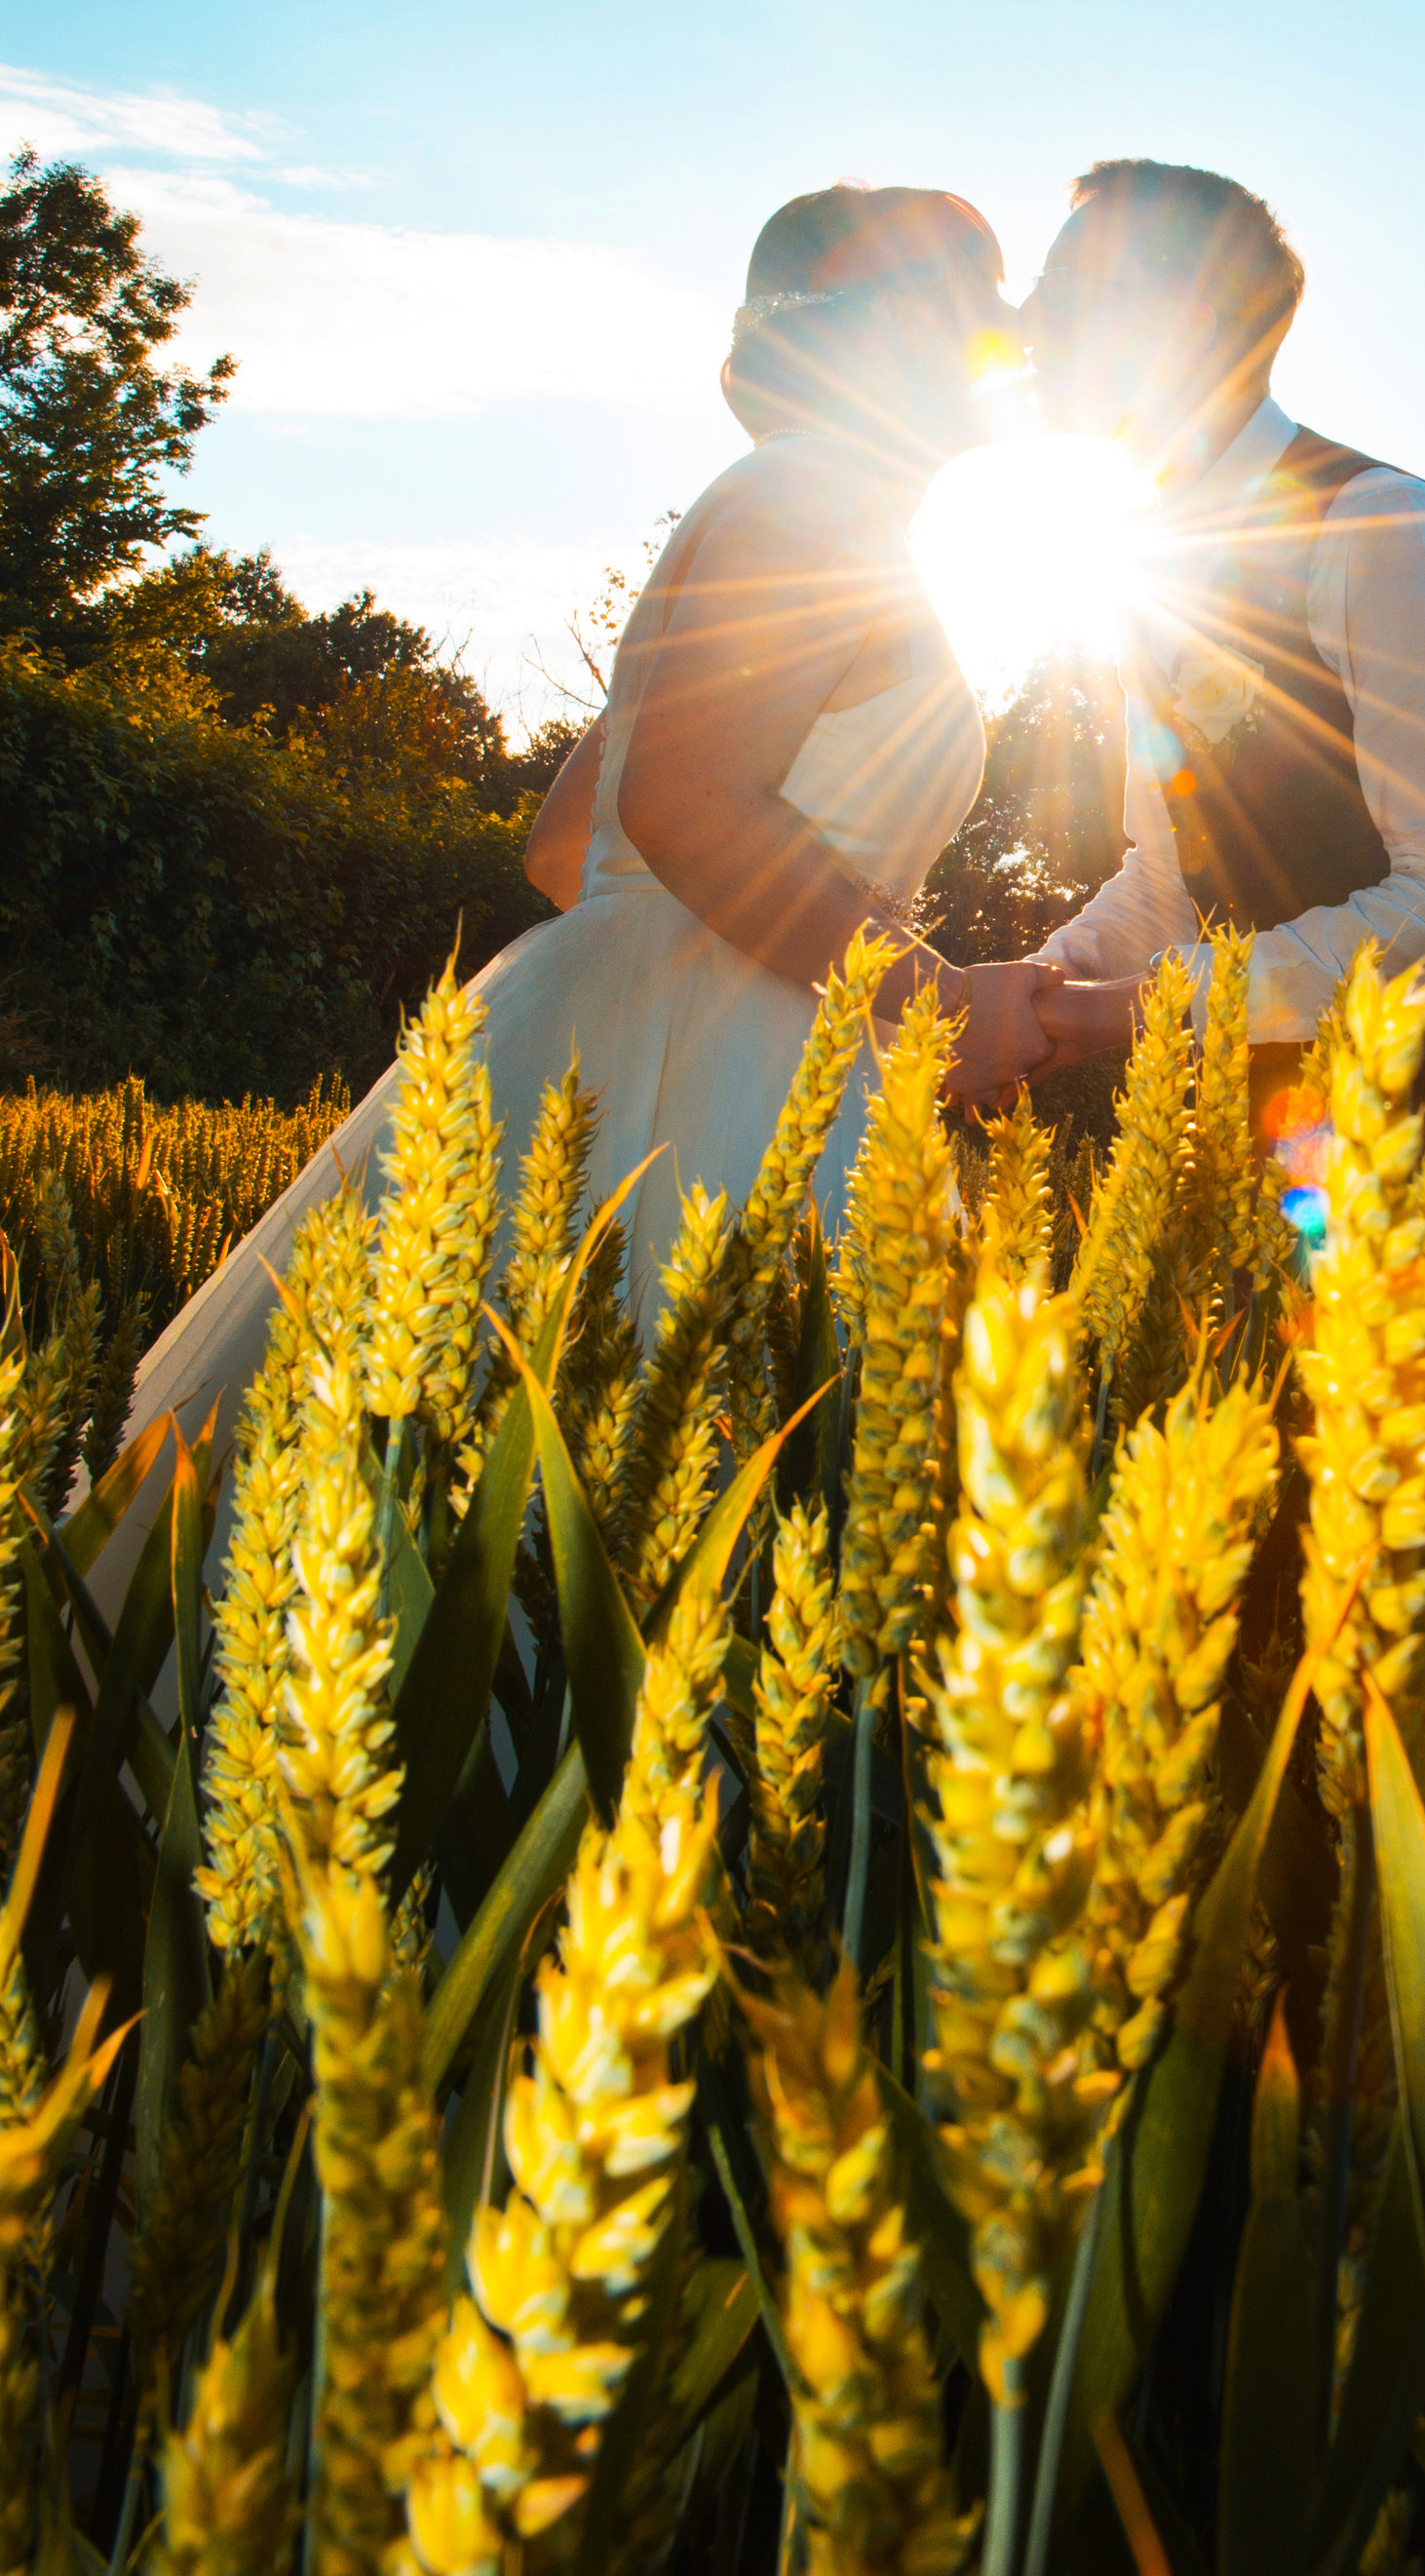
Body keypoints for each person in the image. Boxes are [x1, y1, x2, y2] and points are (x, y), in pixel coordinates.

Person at [91, 181, 1049, 1622]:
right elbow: (679, 806)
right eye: (981, 291)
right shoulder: (818, 498)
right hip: (751, 1064)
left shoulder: (786, 495)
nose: (1012, 325)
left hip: (611, 1026)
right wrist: (922, 997)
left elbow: (567, 841)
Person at [1020, 156, 1425, 1170]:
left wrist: (1125, 1014)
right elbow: (1169, 879)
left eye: (1065, 292)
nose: (1027, 320)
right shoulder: (1141, 563)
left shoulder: (1378, 523)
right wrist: (1032, 990)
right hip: (1259, 1129)